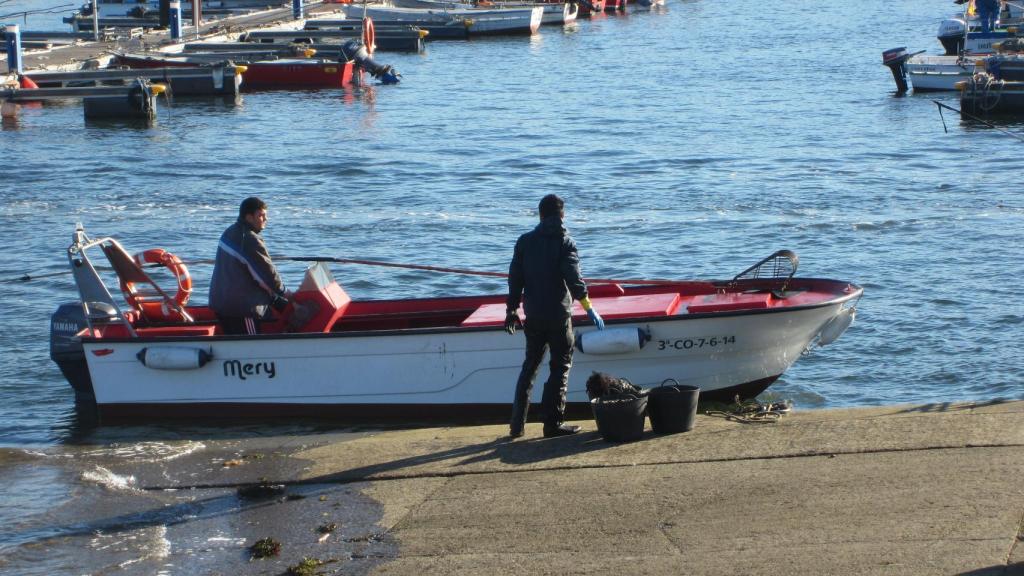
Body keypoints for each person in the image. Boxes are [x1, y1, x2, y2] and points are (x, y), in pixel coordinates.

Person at [505, 194, 605, 439]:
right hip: (559, 317)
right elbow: (574, 280)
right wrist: (589, 307)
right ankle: (552, 423)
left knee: (529, 368)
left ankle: (517, 426)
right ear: (562, 215)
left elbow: (515, 280)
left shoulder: (525, 242)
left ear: (540, 215)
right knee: (560, 368)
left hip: (534, 316)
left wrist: (511, 310)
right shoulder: (566, 242)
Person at [209, 197, 290, 335]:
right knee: (251, 347)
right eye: (261, 215)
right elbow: (267, 275)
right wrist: (286, 293)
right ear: (249, 217)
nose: (265, 219)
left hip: (221, 303)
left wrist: (274, 298)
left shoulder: (229, 232)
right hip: (242, 309)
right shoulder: (250, 240)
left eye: (265, 215)